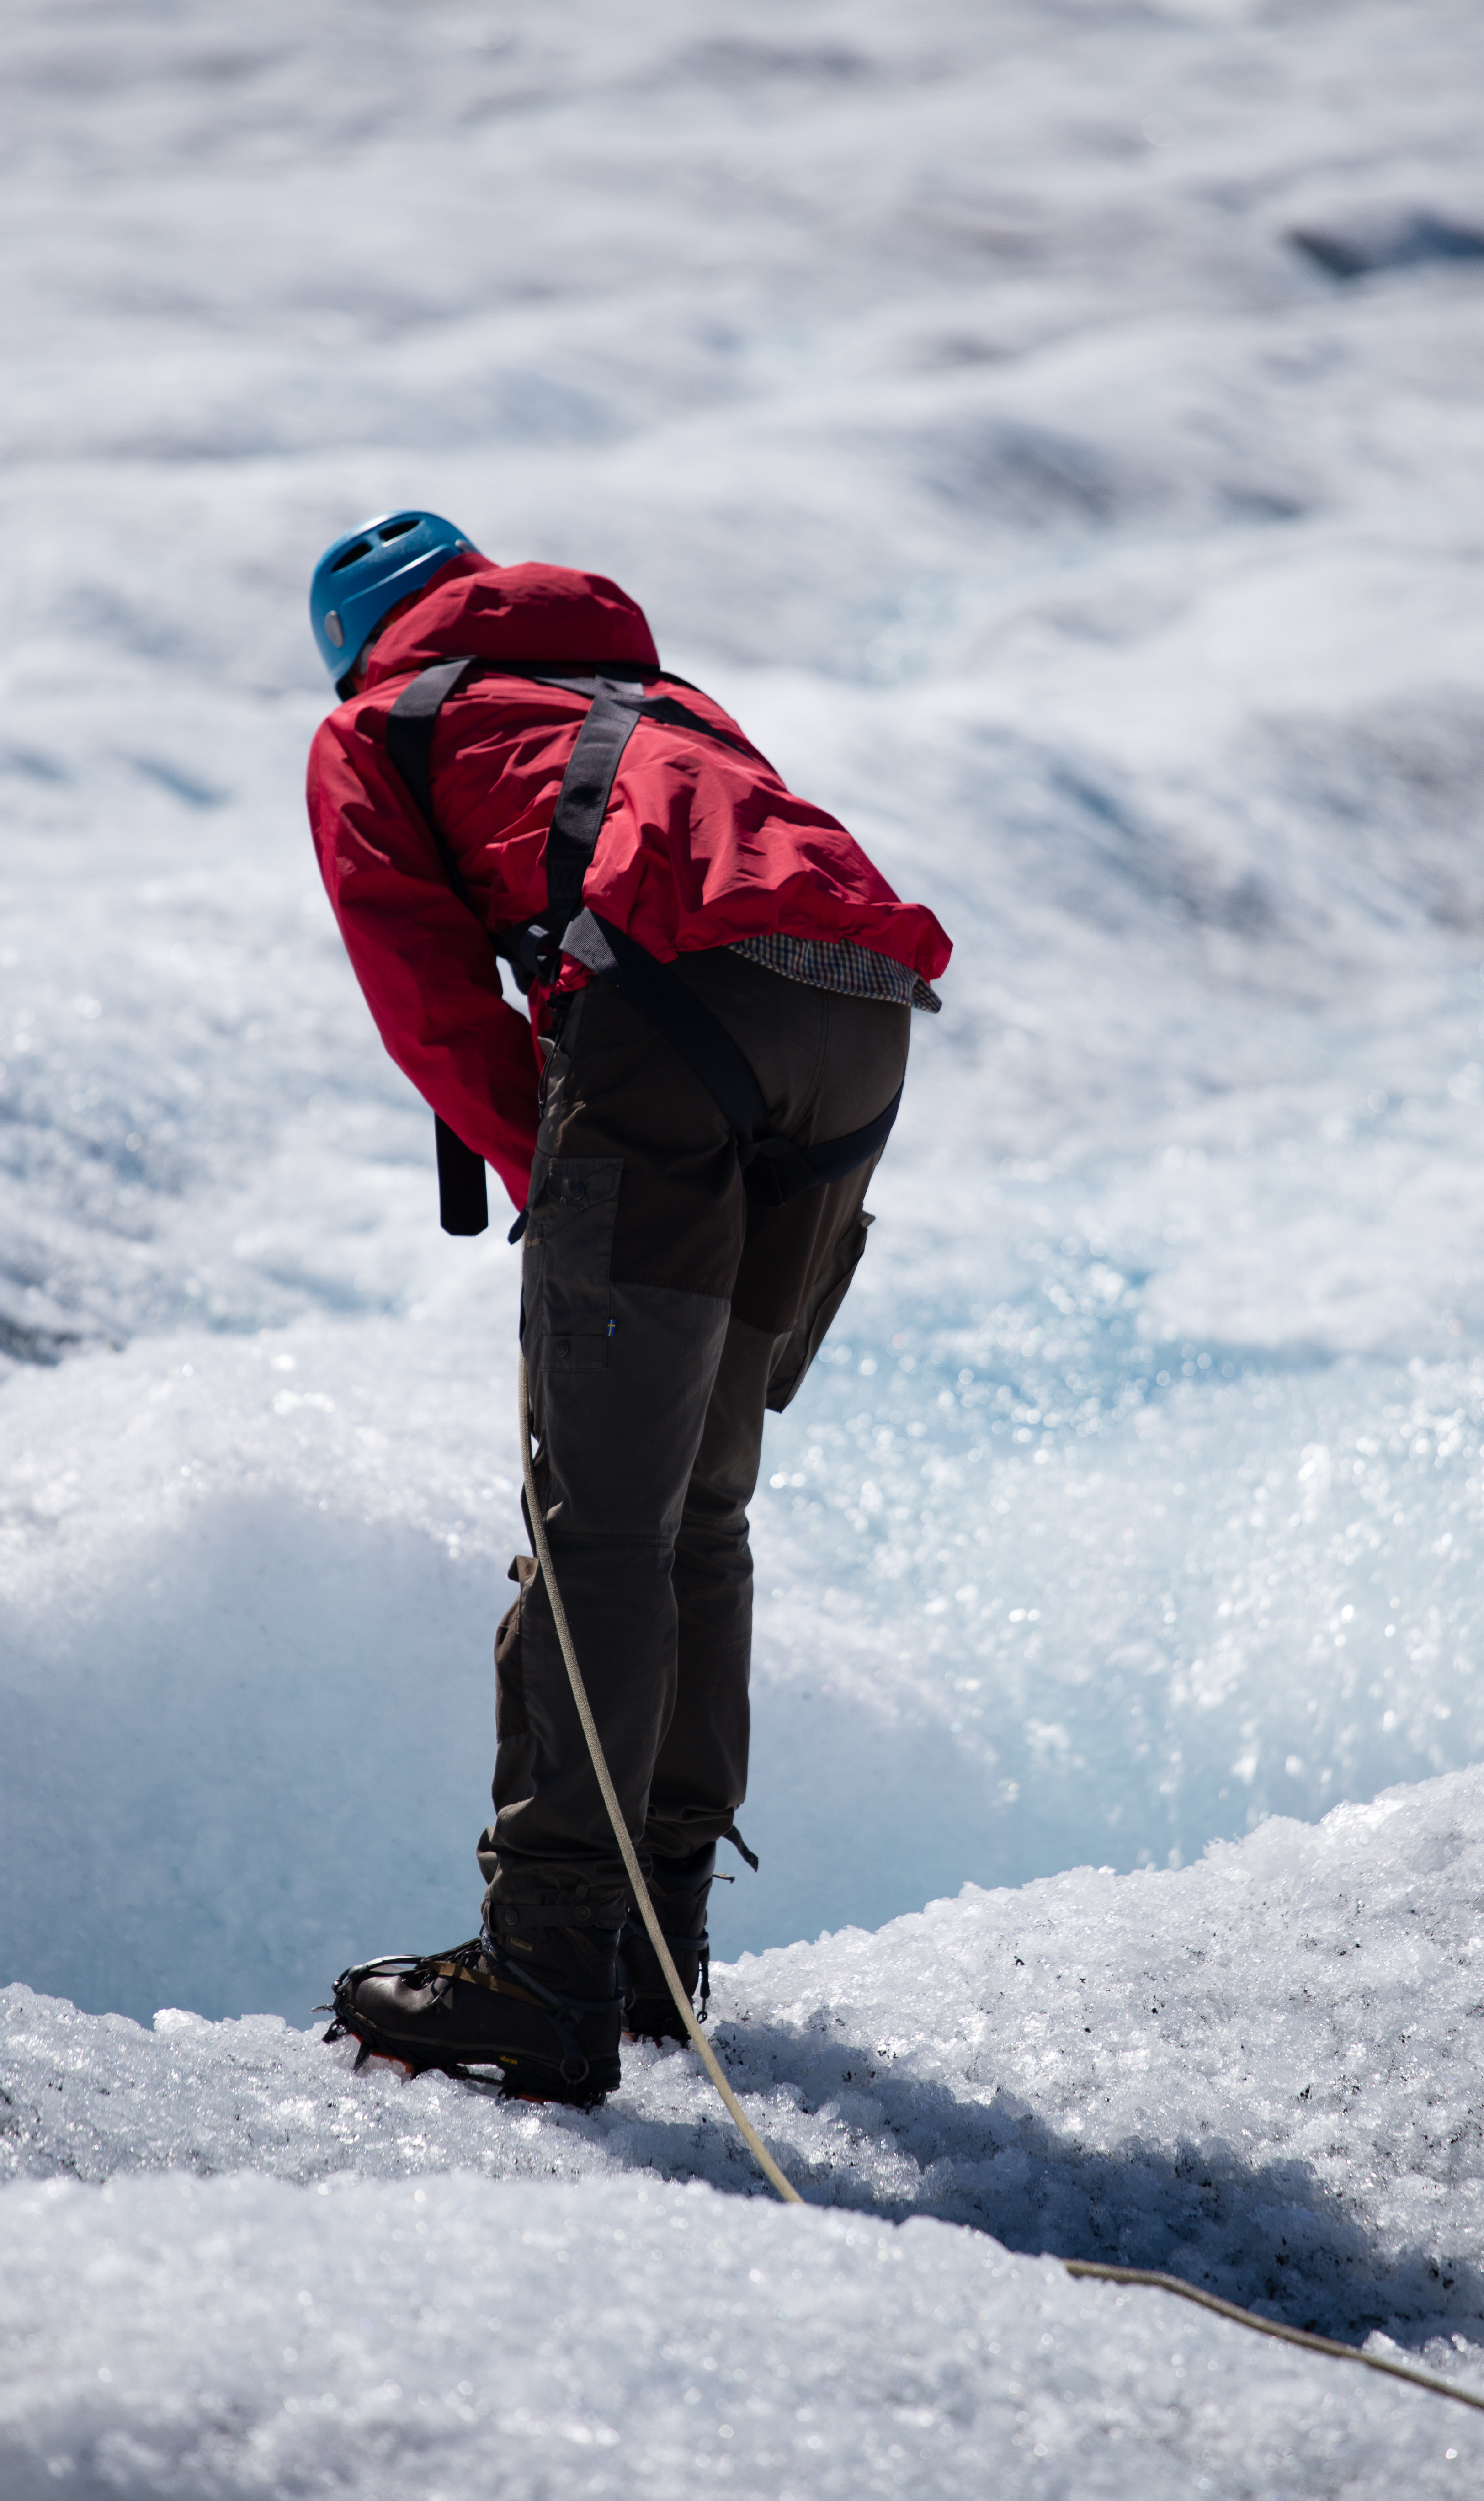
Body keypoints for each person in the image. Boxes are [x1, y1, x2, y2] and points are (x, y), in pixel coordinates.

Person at [306, 511, 951, 2105]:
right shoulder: (653, 696)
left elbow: (435, 1003)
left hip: (671, 1014)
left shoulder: (377, 727)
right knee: (702, 1510)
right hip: (858, 1024)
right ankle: (657, 1948)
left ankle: (543, 1971)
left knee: (603, 1519)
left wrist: (567, 1178)